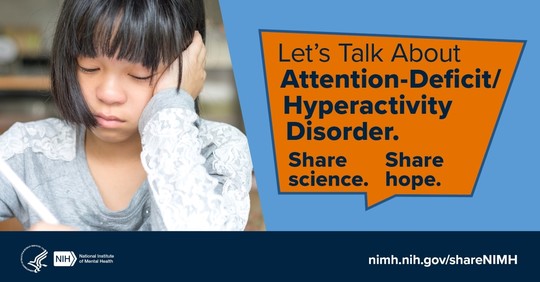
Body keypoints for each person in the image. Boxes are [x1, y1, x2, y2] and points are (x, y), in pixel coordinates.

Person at [0, 0, 253, 231]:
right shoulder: (25, 152)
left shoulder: (217, 153)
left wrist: (171, 106)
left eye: (140, 74)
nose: (108, 94)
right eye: (90, 67)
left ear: (188, 65)